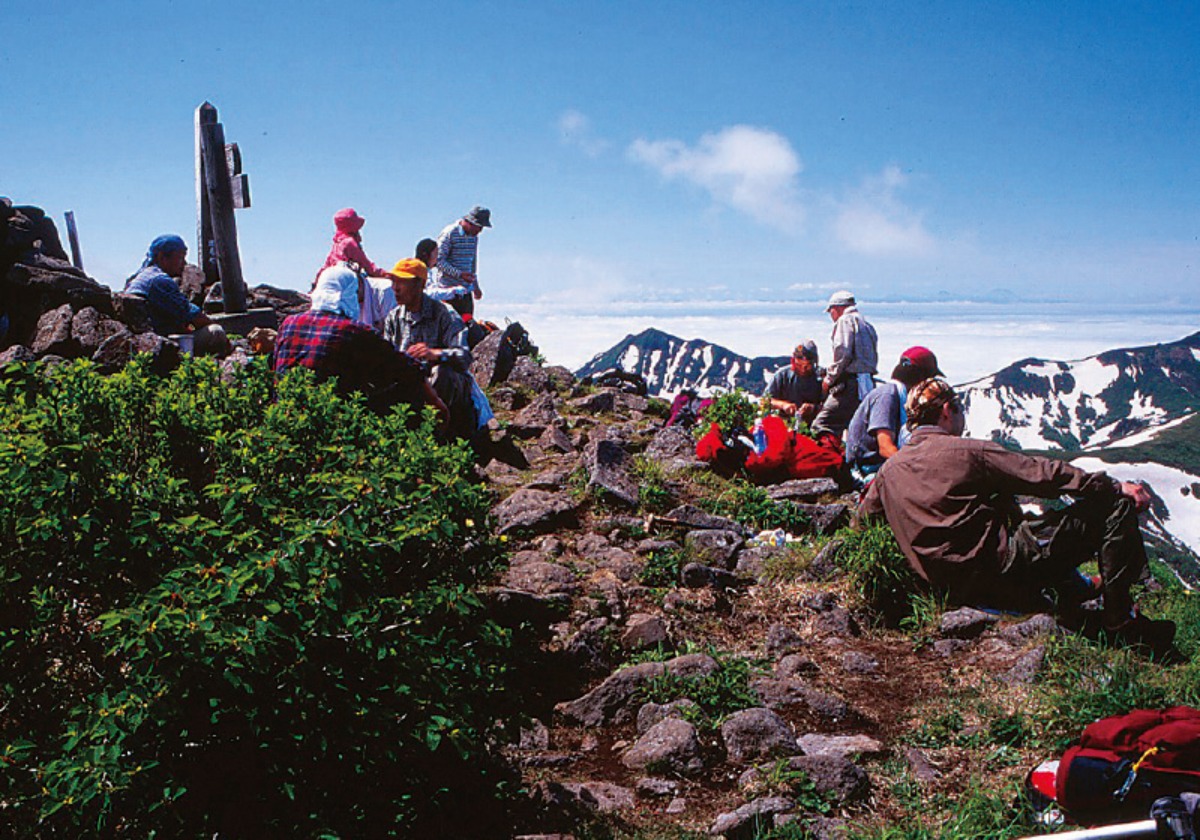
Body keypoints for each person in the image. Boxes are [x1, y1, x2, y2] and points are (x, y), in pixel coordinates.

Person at [859, 377, 1175, 652]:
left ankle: (1072, 591)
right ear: (946, 411)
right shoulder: (968, 451)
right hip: (1002, 569)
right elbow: (1042, 473)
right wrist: (1113, 486)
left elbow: (862, 523)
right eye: (958, 408)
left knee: (1011, 514)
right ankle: (1121, 622)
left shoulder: (889, 472)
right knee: (1114, 504)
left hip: (949, 586)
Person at [275, 263, 446, 421]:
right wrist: (437, 403)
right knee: (407, 389)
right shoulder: (352, 330)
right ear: (349, 294)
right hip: (329, 418)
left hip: (284, 414)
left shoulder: (288, 323)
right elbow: (405, 368)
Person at [384, 258, 489, 440]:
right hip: (411, 381)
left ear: (420, 285)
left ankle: (439, 435)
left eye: (402, 282)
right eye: (394, 281)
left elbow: (464, 356)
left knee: (442, 373)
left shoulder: (444, 314)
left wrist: (435, 354)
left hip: (443, 384)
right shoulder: (394, 318)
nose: (395, 288)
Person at [844, 346, 942, 479]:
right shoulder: (887, 395)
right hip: (867, 469)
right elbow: (885, 448)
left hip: (879, 464)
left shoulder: (899, 395)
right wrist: (917, 469)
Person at [124, 235, 228, 354]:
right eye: (180, 257)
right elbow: (193, 316)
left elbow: (182, 319)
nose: (184, 263)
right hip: (160, 342)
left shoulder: (141, 277)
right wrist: (225, 339)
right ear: (162, 257)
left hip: (145, 338)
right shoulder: (159, 280)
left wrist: (188, 327)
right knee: (215, 332)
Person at [812, 290, 878, 440]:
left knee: (822, 425)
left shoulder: (845, 321)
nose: (831, 315)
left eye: (831, 311)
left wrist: (830, 378)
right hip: (866, 383)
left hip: (850, 384)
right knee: (855, 427)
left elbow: (843, 351)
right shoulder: (866, 324)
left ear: (837, 307)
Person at [428, 205, 491, 316]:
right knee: (449, 327)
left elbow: (472, 263)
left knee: (468, 325)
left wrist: (475, 286)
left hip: (466, 292)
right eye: (479, 227)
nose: (480, 231)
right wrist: (459, 274)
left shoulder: (474, 237)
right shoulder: (450, 233)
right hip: (448, 292)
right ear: (471, 223)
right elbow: (438, 261)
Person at [315, 208, 388, 288]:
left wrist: (316, 283)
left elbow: (326, 266)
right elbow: (367, 266)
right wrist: (385, 274)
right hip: (346, 282)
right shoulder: (350, 243)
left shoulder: (337, 244)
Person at [763, 340, 823, 425]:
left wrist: (813, 408)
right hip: (785, 427)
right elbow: (764, 401)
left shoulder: (822, 378)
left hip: (814, 427)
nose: (803, 369)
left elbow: (831, 408)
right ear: (793, 361)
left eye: (807, 366)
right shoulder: (782, 375)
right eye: (799, 365)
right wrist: (783, 405)